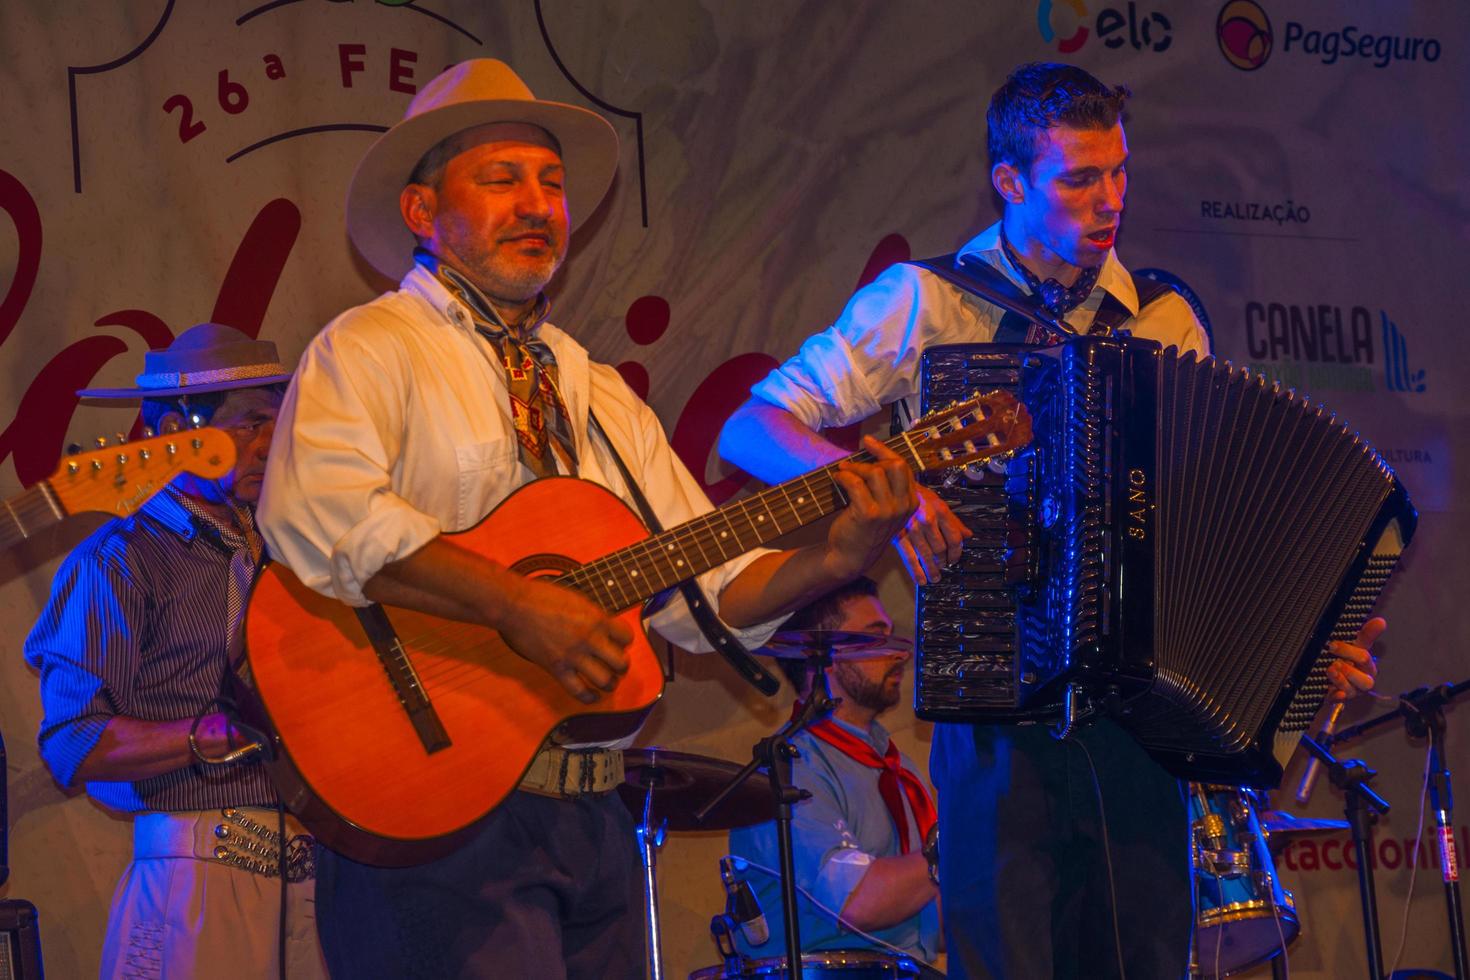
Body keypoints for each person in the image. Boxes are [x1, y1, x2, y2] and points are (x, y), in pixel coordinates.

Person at [718, 62, 1384, 979]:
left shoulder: (1163, 317)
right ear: (1010, 181)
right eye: (1079, 178)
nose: (1108, 200)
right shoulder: (927, 301)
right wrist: (885, 486)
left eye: (1119, 172)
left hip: (1139, 721)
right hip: (994, 712)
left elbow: (1204, 521)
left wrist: (1302, 637)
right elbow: (751, 426)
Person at [256, 59, 918, 978]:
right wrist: (515, 606)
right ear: (422, 213)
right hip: (436, 804)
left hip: (592, 818)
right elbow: (319, 514)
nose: (537, 204)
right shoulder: (371, 348)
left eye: (552, 184)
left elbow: (713, 590)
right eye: (502, 180)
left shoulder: (597, 390)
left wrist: (841, 553)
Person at [25, 323, 328, 978]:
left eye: (277, 423)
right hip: (198, 877)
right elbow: (71, 740)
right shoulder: (118, 562)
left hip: (318, 875)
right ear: (172, 430)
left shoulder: (292, 546)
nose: (270, 444)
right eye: (249, 425)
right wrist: (208, 734)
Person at [727, 576, 940, 966]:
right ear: (821, 654)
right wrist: (955, 847)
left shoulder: (897, 767)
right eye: (874, 638)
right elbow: (857, 900)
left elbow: (937, 923)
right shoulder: (789, 765)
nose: (899, 654)